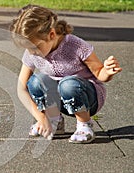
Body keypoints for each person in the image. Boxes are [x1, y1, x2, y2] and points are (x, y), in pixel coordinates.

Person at [10, 4, 122, 143]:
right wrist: (41, 118)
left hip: (88, 97)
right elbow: (22, 88)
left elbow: (99, 73)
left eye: (36, 47)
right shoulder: (33, 53)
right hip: (61, 98)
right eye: (28, 48)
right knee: (36, 81)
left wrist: (107, 71)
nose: (32, 53)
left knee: (67, 84)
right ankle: (54, 121)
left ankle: (84, 125)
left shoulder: (76, 46)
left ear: (51, 34)